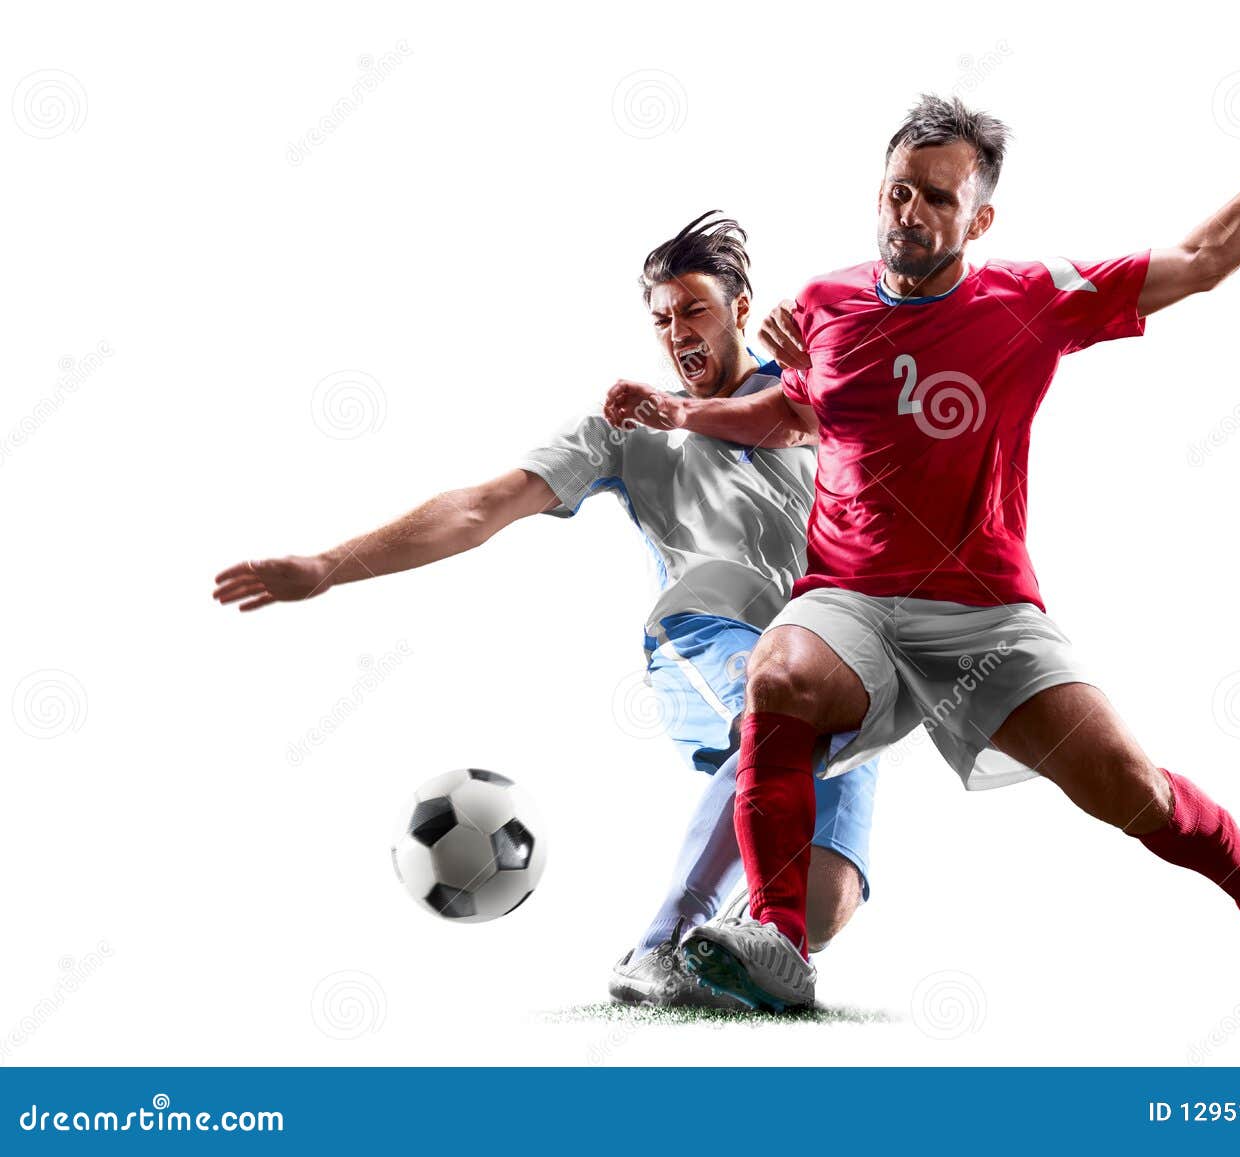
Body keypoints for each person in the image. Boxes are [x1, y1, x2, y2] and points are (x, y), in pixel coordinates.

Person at [604, 62, 1240, 1012]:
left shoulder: (1030, 298)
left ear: (978, 220)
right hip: (849, 601)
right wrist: (682, 411)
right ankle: (779, 940)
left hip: (984, 613)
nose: (909, 212)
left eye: (937, 197)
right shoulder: (826, 306)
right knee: (779, 672)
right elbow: (791, 418)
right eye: (897, 191)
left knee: (1134, 792)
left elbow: (1203, 259)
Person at [213, 212, 878, 1009]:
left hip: (835, 647)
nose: (676, 333)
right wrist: (328, 565)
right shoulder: (627, 428)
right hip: (709, 635)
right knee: (777, 715)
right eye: (661, 318)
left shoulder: (810, 393)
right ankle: (660, 944)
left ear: (742, 306)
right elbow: (480, 506)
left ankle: (722, 952)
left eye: (694, 309)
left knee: (826, 899)